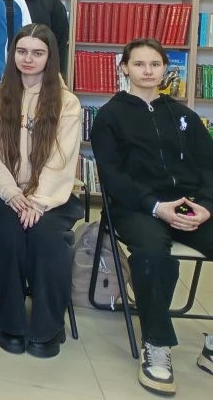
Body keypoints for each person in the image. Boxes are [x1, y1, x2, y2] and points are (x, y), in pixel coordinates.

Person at [90, 38, 213, 395]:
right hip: (136, 207)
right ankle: (156, 345)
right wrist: (157, 207)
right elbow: (113, 177)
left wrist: (205, 205)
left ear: (164, 70)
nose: (147, 71)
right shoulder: (109, 117)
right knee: (152, 254)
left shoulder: (183, 116)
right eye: (139, 64)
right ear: (124, 68)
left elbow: (208, 165)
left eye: (155, 64)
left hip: (186, 204)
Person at [0, 24, 83, 358]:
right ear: (12, 54)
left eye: (37, 53)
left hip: (49, 195)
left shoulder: (67, 102)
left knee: (48, 239)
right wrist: (10, 192)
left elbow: (62, 157)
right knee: (6, 234)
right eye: (22, 51)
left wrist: (38, 200)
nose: (28, 59)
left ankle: (48, 327)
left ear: (50, 57)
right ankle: (11, 324)